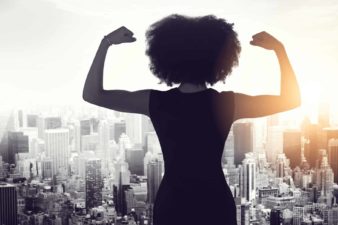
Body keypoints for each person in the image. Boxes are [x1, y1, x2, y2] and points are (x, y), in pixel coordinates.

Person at [83, 14, 301, 225]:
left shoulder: (156, 102)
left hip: (173, 204)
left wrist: (106, 43)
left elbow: (92, 94)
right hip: (215, 203)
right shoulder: (227, 103)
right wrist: (279, 50)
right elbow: (290, 100)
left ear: (166, 57)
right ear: (219, 58)